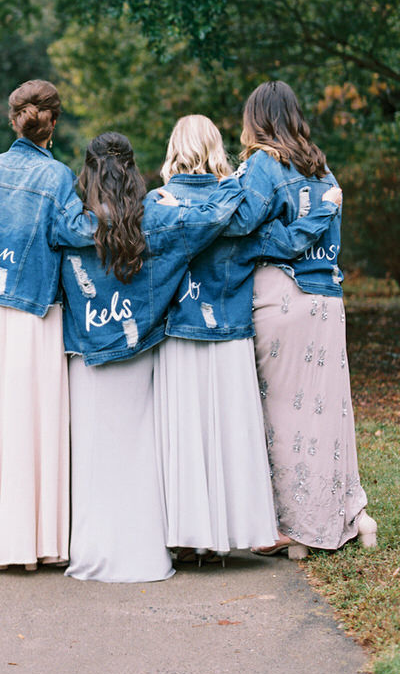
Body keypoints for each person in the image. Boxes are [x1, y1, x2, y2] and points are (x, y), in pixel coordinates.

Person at [61, 131, 254, 583]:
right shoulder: (161, 222)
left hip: (88, 350)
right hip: (138, 349)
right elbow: (214, 217)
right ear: (133, 172)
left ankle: (91, 553)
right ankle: (143, 554)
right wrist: (230, 178)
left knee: (92, 457)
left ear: (87, 171)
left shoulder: (70, 221)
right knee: (137, 454)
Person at [155, 114, 342, 563]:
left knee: (185, 433)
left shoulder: (155, 204)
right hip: (231, 329)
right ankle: (244, 532)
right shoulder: (232, 204)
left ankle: (183, 536)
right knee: (234, 435)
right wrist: (321, 212)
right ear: (217, 149)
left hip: (178, 330)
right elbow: (280, 244)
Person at [0, 79, 94, 570]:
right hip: (32, 308)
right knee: (27, 422)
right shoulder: (57, 178)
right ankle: (25, 544)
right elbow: (75, 231)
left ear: (15, 120)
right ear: (53, 121)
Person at [231, 80, 377, 557]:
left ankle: (294, 528)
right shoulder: (323, 169)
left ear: (257, 119)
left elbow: (241, 230)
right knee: (328, 414)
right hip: (327, 301)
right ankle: (352, 515)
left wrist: (269, 237)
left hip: (283, 297)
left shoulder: (261, 165)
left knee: (281, 414)